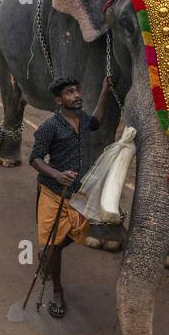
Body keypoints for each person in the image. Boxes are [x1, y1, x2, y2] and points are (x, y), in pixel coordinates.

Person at [29, 75, 114, 319]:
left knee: (75, 234)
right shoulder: (50, 127)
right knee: (56, 242)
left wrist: (105, 91)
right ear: (59, 100)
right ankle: (57, 290)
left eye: (77, 91)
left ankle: (46, 253)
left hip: (78, 193)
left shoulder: (83, 119)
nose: (76, 95)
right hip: (53, 191)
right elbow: (34, 158)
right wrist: (56, 174)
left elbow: (97, 121)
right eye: (69, 93)